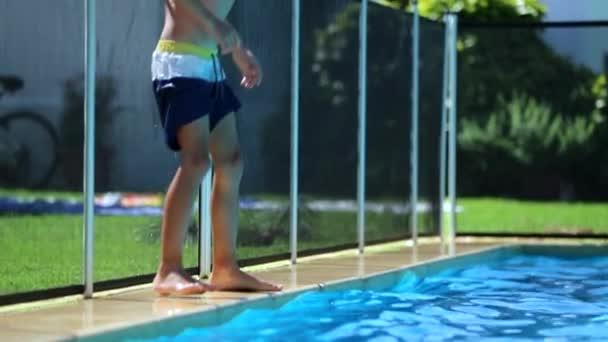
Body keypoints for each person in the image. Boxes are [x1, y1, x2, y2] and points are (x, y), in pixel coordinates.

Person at [151, 0, 282, 295]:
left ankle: (225, 268)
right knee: (196, 161)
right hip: (180, 61)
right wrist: (214, 24)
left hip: (209, 63)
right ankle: (168, 269)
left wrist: (238, 50)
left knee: (231, 161)